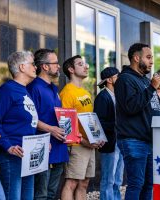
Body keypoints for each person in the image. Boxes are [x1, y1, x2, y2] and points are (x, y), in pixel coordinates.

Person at [115, 43, 160, 199]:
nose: (151, 62)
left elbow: (150, 107)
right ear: (136, 58)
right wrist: (151, 88)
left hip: (148, 140)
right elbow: (131, 107)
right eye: (148, 57)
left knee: (148, 184)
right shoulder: (125, 79)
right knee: (136, 184)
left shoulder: (143, 80)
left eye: (152, 58)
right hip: (133, 140)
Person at [0, 51, 38, 200]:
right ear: (22, 67)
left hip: (27, 155)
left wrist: (40, 143)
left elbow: (28, 123)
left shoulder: (24, 90)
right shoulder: (7, 90)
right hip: (11, 155)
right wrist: (8, 146)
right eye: (33, 64)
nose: (36, 67)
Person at [60, 55, 104, 200]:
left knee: (84, 184)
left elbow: (89, 120)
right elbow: (67, 126)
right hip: (76, 145)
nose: (86, 67)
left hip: (89, 144)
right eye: (80, 64)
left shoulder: (85, 92)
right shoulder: (67, 92)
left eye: (85, 64)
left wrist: (98, 138)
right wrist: (85, 142)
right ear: (71, 69)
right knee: (71, 183)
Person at [27, 49, 68, 200]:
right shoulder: (33, 87)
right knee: (41, 195)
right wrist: (51, 129)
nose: (58, 66)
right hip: (43, 146)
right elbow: (29, 118)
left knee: (52, 194)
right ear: (44, 66)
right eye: (55, 63)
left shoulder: (54, 88)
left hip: (59, 147)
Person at [94, 67, 124, 200]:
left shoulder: (118, 96)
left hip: (120, 142)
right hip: (109, 143)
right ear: (110, 80)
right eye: (118, 76)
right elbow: (99, 122)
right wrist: (117, 125)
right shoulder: (102, 97)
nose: (121, 79)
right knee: (108, 179)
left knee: (118, 179)